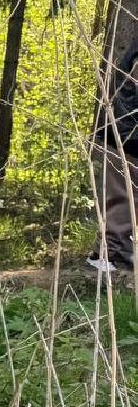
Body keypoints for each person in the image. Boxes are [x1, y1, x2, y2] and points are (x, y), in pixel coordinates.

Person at [89, 44, 138, 273]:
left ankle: (118, 255)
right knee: (123, 199)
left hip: (125, 133)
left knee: (125, 198)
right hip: (125, 135)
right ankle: (110, 258)